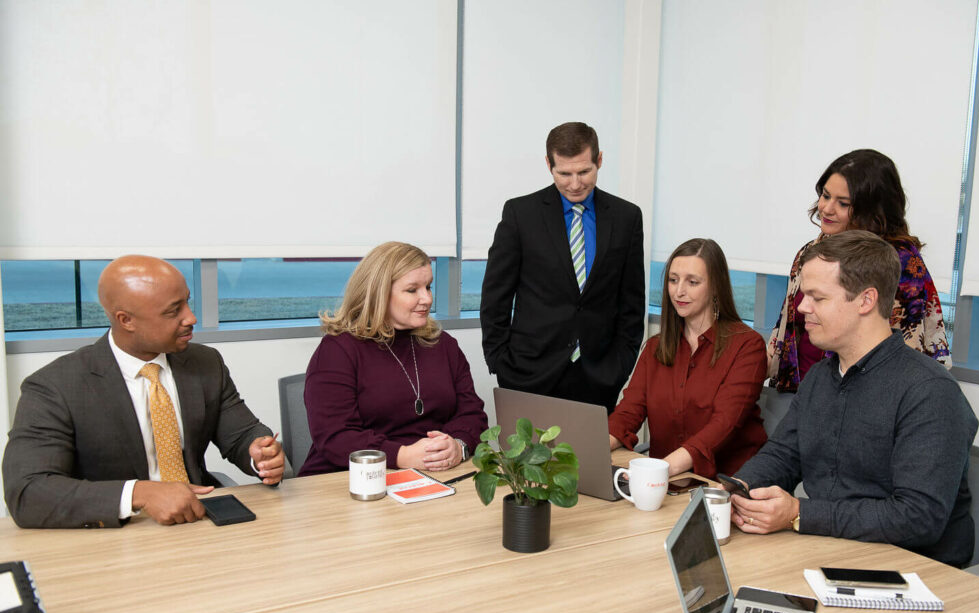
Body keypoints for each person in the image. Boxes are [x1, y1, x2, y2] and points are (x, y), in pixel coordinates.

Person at [730, 231, 977, 567]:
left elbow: (918, 517)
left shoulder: (930, 391)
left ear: (865, 300)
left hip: (911, 571)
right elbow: (784, 456)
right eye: (804, 296)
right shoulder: (821, 376)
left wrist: (798, 514)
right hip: (833, 551)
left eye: (817, 297)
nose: (802, 308)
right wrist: (740, 489)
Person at [3, 256, 285, 529]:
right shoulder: (55, 386)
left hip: (197, 521)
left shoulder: (205, 363)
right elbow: (28, 491)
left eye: (187, 301)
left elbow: (241, 434)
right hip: (117, 534)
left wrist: (258, 454)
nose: (191, 317)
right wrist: (140, 493)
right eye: (174, 311)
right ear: (126, 320)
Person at [479, 122, 645, 414]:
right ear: (549, 164)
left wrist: (620, 365)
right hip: (528, 374)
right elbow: (495, 296)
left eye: (584, 172)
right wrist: (500, 361)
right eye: (564, 173)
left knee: (590, 461)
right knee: (525, 460)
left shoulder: (626, 217)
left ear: (600, 160)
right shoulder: (521, 214)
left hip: (599, 377)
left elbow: (632, 301)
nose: (575, 183)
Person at [767, 149, 951, 392]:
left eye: (843, 203)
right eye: (825, 195)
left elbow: (903, 350)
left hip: (862, 397)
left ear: (873, 210)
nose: (827, 209)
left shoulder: (898, 262)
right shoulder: (810, 252)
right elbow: (786, 328)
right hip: (801, 391)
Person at [299, 242, 488, 475]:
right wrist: (401, 455)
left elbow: (472, 414)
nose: (427, 298)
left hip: (430, 476)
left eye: (428, 287)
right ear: (379, 293)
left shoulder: (444, 345)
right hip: (351, 477)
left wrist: (458, 446)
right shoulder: (338, 350)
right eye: (412, 290)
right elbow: (335, 436)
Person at [608, 239, 767, 478]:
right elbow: (628, 413)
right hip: (669, 481)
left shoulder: (747, 346)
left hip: (727, 483)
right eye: (673, 280)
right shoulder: (655, 348)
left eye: (692, 282)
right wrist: (587, 450)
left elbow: (723, 424)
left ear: (715, 286)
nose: (679, 291)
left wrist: (661, 469)